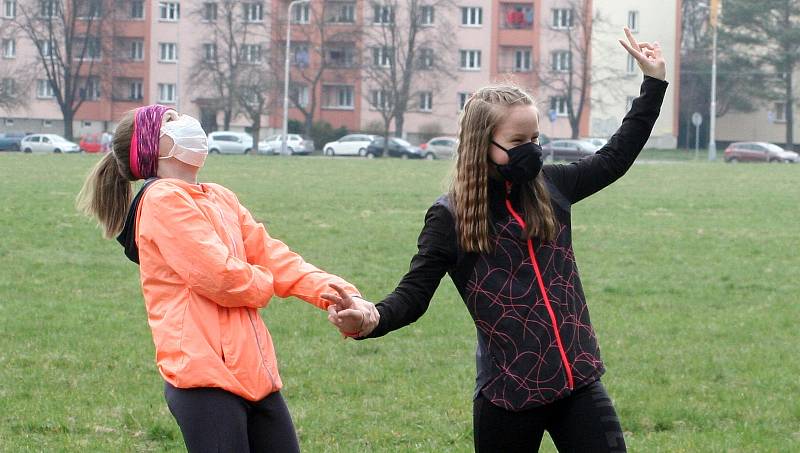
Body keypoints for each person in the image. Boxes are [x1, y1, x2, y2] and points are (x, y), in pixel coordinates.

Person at [325, 28, 668, 452]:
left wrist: (653, 84)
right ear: (480, 145)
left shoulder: (553, 186)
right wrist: (371, 318)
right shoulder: (450, 217)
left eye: (536, 140)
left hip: (577, 381)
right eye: (517, 142)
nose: (532, 151)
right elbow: (414, 295)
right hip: (509, 396)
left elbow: (615, 156)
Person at [77, 105, 361, 452]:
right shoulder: (161, 199)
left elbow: (274, 255)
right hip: (203, 380)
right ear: (151, 144)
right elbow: (222, 278)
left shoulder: (220, 196)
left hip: (255, 372)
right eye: (169, 120)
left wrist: (342, 293)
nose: (184, 122)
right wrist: (264, 282)